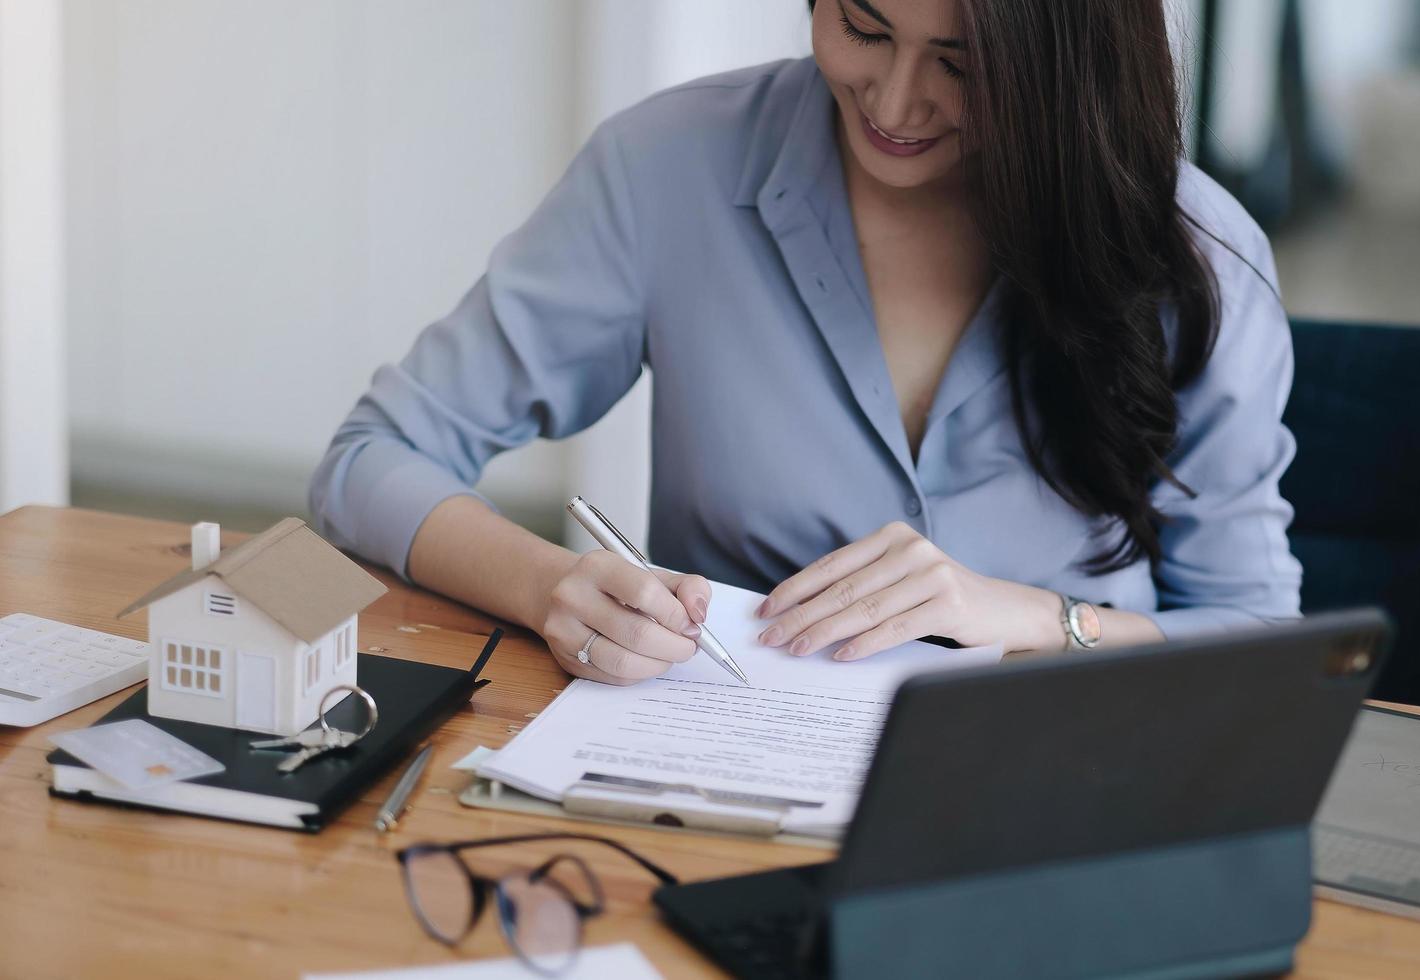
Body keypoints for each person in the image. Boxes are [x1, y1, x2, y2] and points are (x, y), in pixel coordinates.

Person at [309, 0, 1302, 686]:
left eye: (962, 64)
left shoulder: (1199, 257)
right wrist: (547, 585)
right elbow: (369, 460)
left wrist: (1027, 617)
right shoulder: (667, 170)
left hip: (1067, 797)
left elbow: (1259, 642)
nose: (894, 100)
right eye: (862, 26)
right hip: (724, 783)